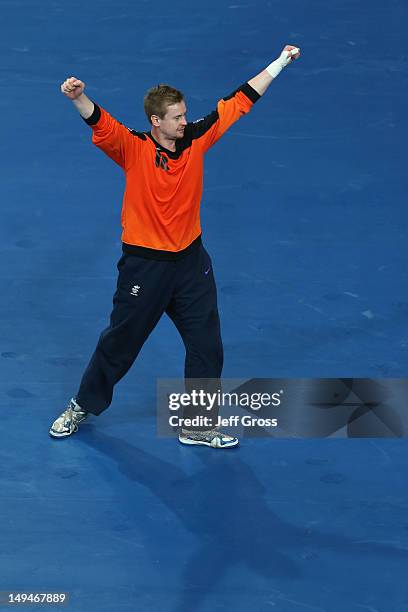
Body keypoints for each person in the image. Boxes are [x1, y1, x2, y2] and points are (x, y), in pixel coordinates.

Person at [49, 45, 301, 448]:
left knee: (207, 346)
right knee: (120, 344)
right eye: (177, 117)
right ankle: (82, 403)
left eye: (185, 114)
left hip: (190, 263)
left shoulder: (197, 139)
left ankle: (197, 425)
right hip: (144, 268)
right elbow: (101, 122)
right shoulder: (133, 148)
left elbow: (240, 100)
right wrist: (78, 96)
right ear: (156, 121)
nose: (185, 121)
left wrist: (280, 63)